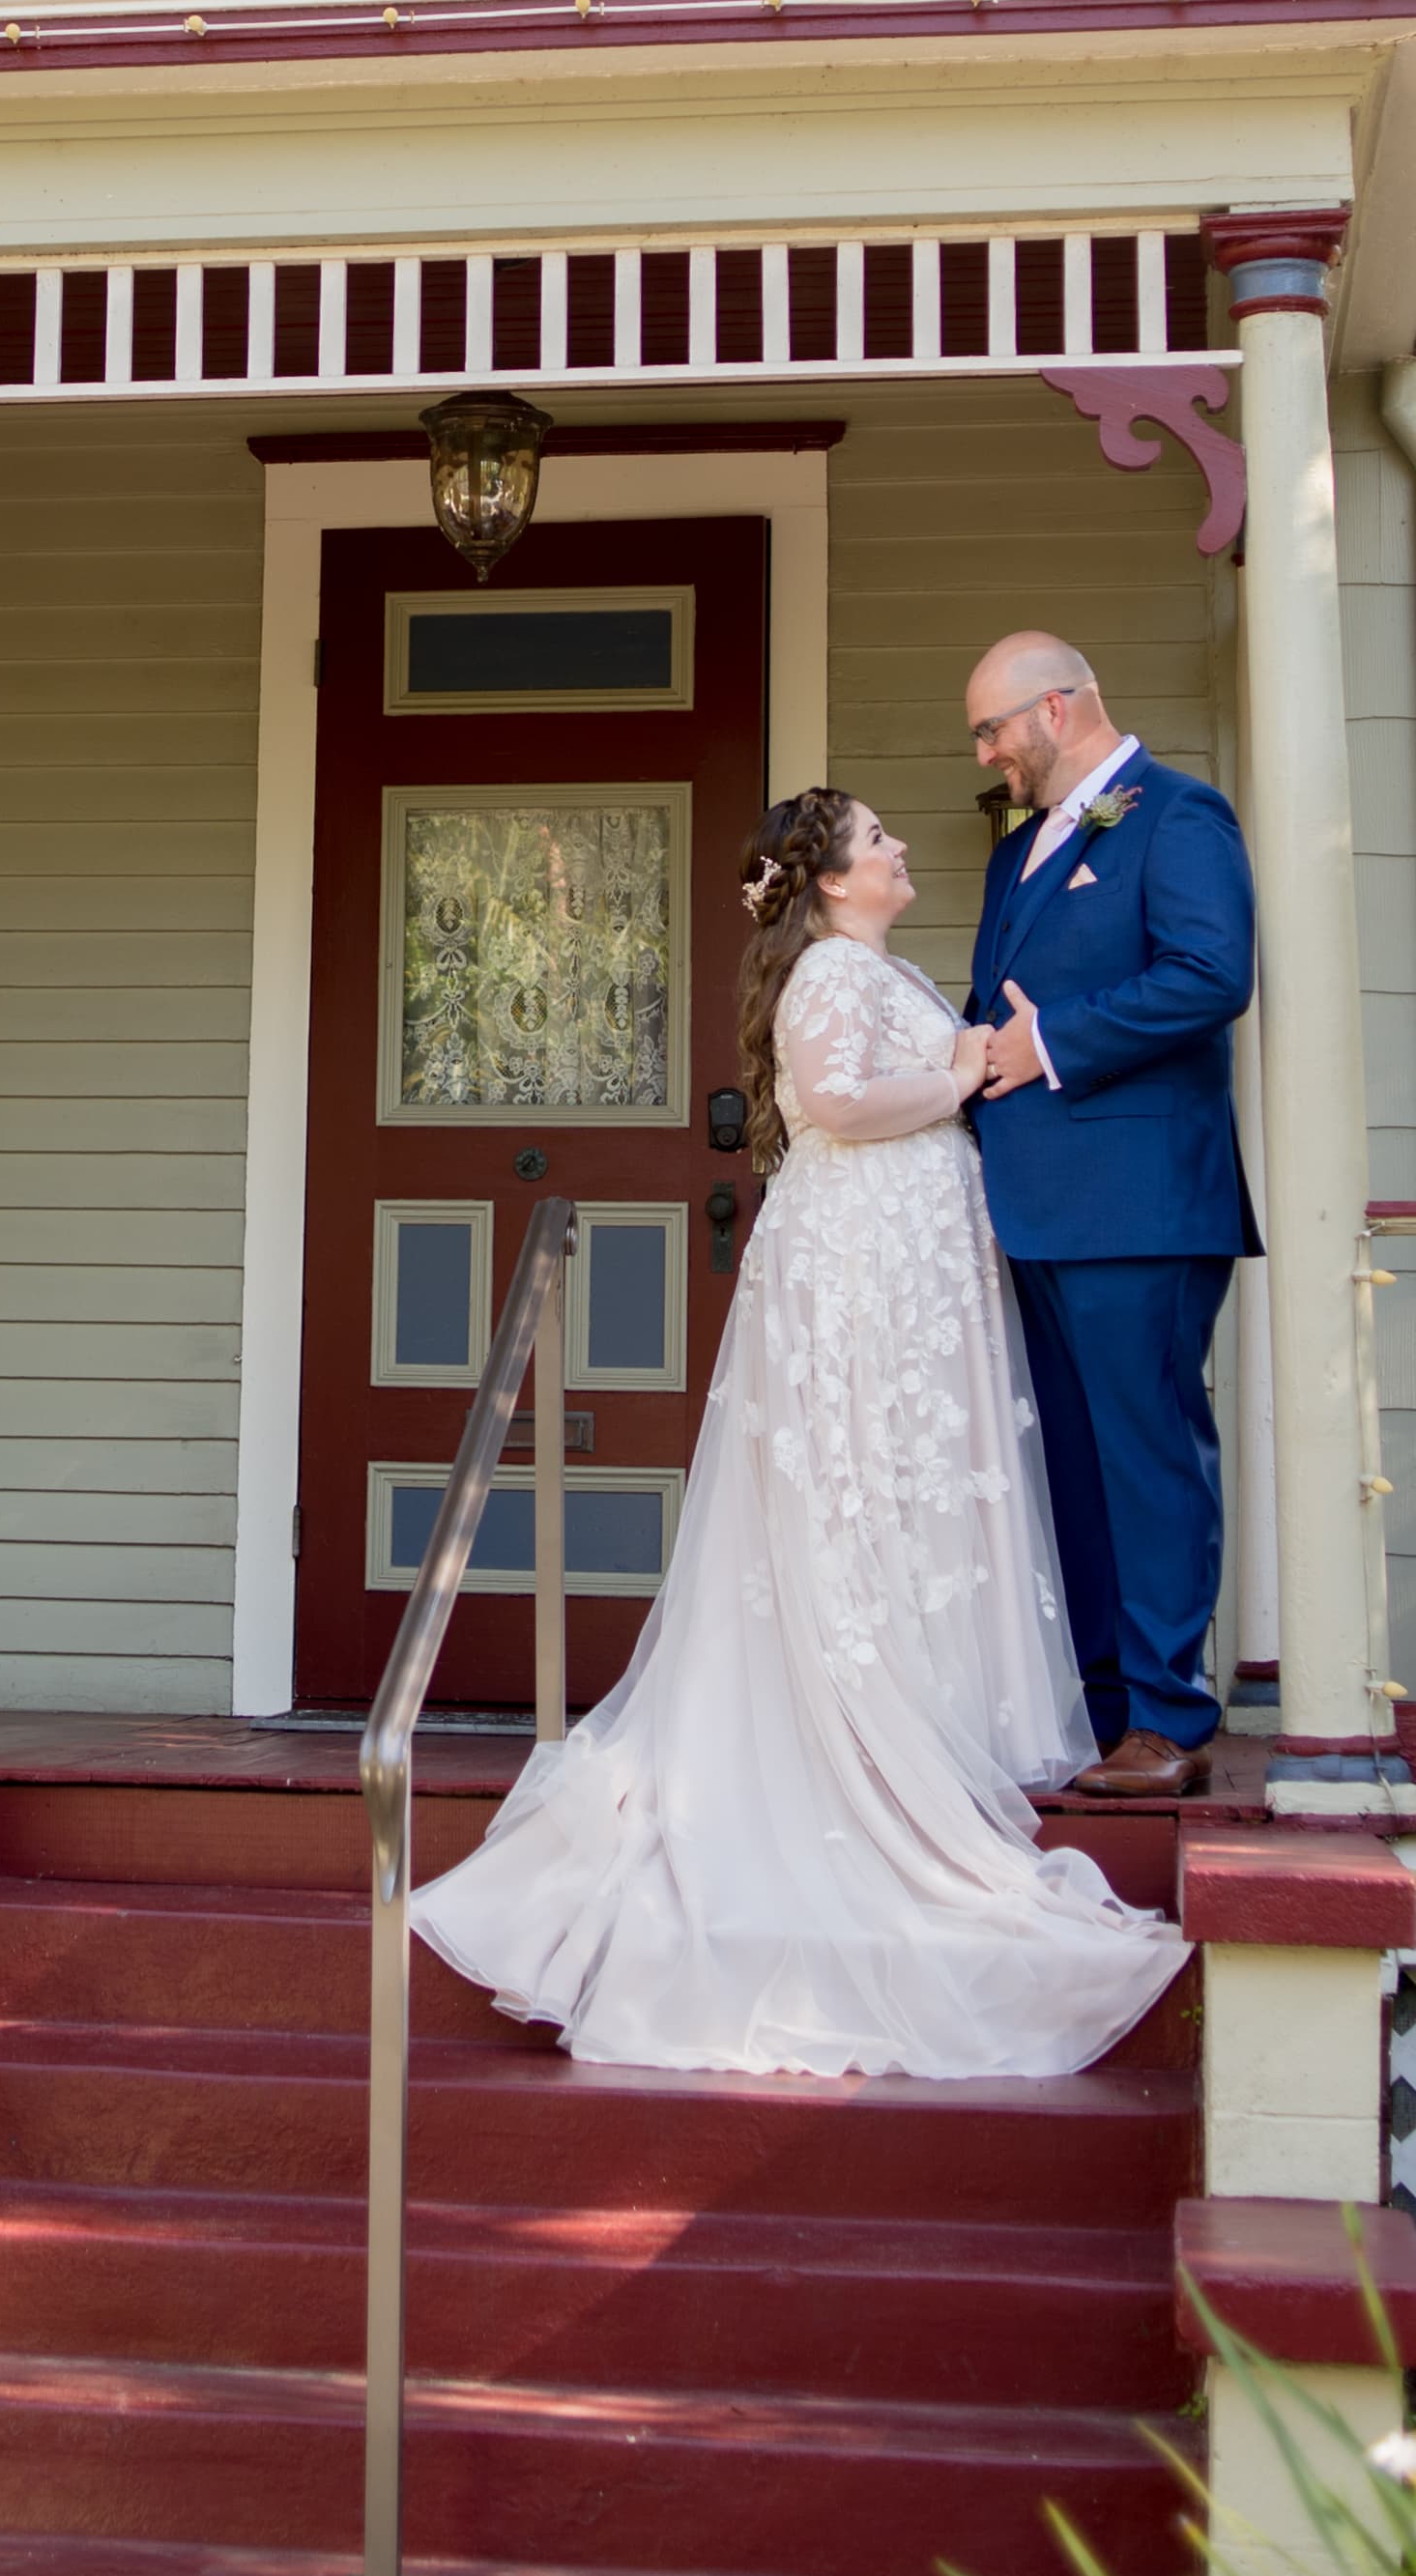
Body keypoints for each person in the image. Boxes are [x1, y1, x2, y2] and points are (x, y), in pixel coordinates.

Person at [411, 787, 1187, 2082]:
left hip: (904, 1256)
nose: (897, 845)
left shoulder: (878, 964)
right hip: (858, 1268)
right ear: (831, 881)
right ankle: (867, 1736)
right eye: (877, 836)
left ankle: (922, 1716)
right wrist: (960, 1068)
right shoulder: (831, 971)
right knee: (858, 1488)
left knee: (908, 1491)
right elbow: (830, 1098)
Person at [962, 633, 1258, 1806]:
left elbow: (1207, 974)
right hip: (1036, 1208)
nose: (985, 755)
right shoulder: (1011, 853)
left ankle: (1170, 1715)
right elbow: (1002, 1004)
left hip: (1140, 1204)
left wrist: (1050, 1041)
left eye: (993, 730)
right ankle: (1093, 1704)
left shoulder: (1178, 815)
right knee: (1070, 1469)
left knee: (1146, 1457)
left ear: (1057, 705)